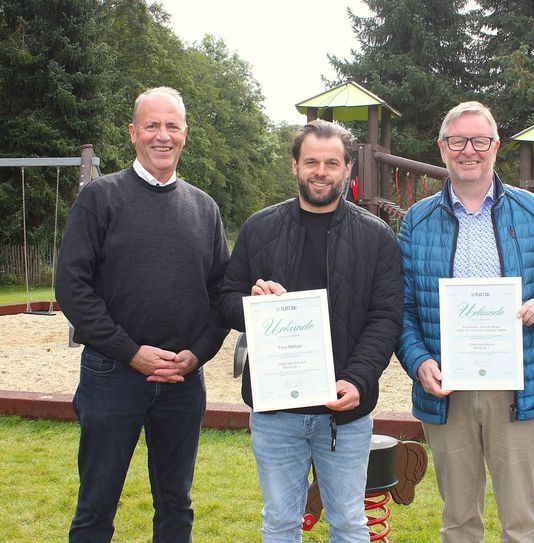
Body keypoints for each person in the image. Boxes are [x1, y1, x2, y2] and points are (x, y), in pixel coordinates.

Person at [397, 101, 534, 542]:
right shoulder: (417, 222)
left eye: (479, 140)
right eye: (457, 141)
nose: (468, 150)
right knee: (458, 521)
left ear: (496, 147)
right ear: (442, 148)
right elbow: (400, 309)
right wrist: (419, 362)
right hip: (446, 391)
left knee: (520, 522)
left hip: (519, 390)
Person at [56, 86, 230, 542]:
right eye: (152, 125)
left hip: (181, 382)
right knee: (96, 505)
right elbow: (72, 287)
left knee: (176, 505)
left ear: (185, 134)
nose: (162, 136)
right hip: (112, 375)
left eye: (172, 126)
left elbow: (220, 295)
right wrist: (130, 352)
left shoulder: (204, 208)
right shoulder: (100, 199)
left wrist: (196, 355)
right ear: (133, 133)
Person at [219, 119, 403, 542]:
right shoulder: (259, 228)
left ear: (347, 170)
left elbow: (386, 317)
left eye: (332, 163)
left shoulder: (376, 237)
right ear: (295, 167)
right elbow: (225, 302)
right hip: (275, 411)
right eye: (312, 162)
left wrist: (359, 379)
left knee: (349, 523)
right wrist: (252, 303)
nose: (321, 171)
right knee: (281, 523)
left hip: (345, 412)